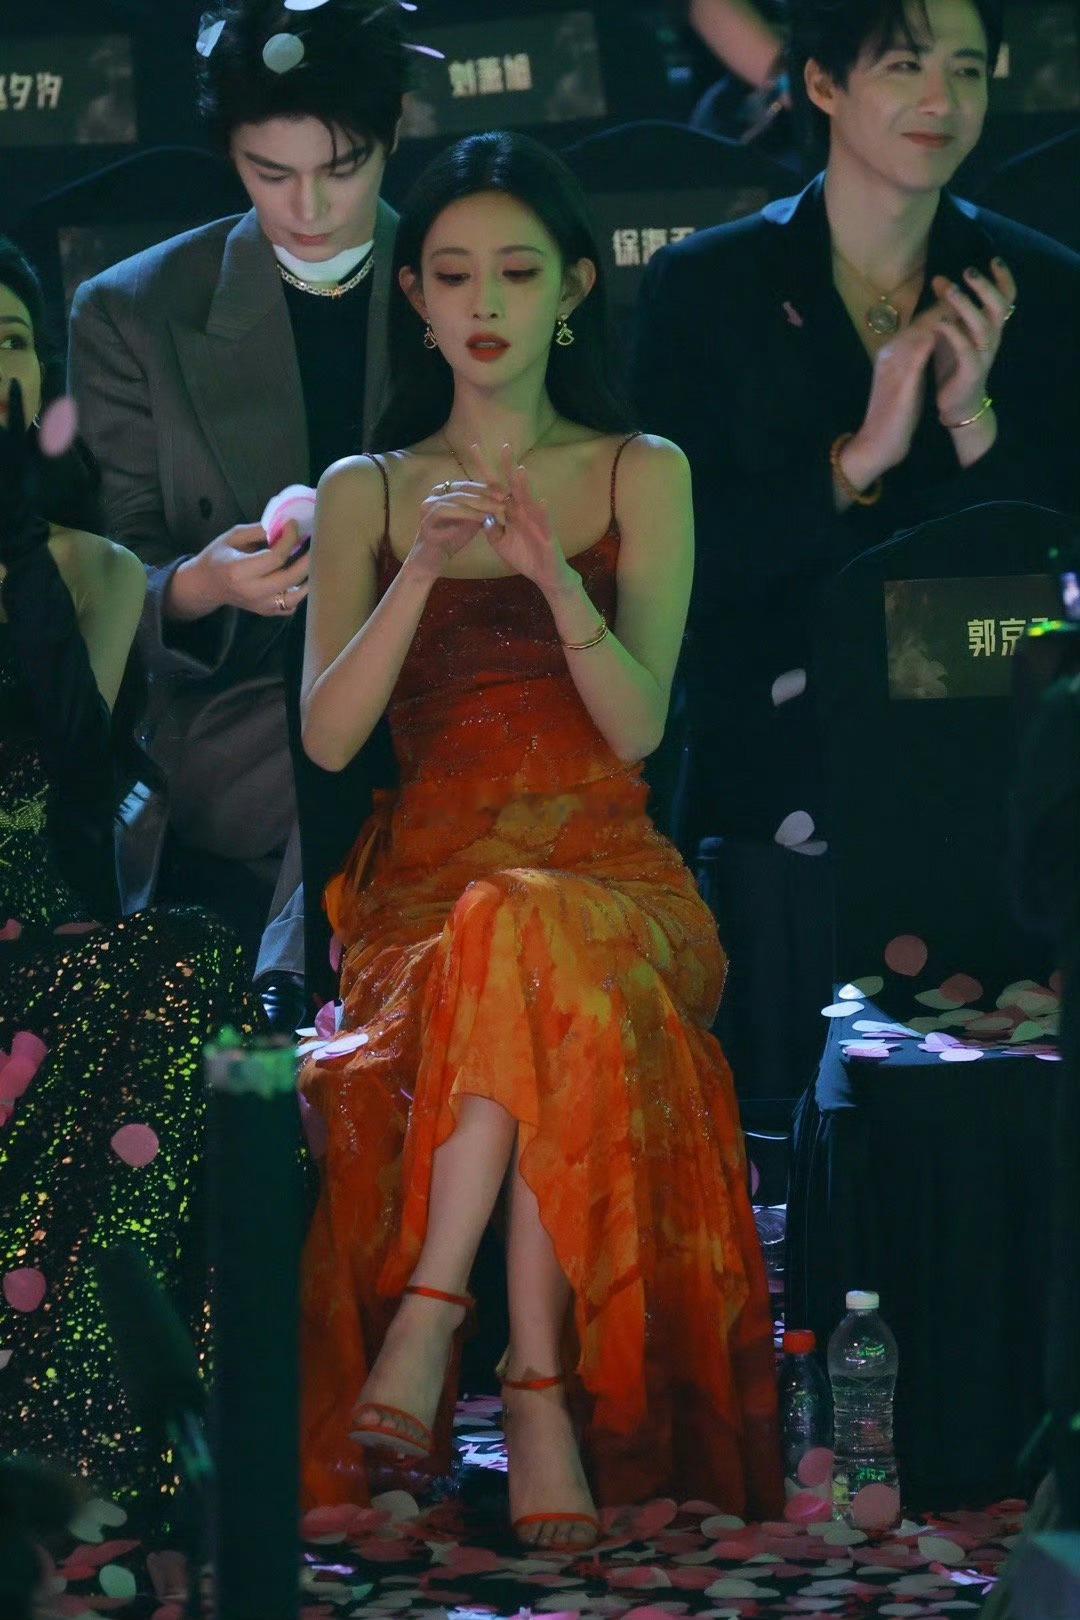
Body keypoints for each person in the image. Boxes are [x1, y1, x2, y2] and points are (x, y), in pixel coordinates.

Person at [297, 130, 784, 1544]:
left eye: (516, 272)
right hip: (424, 904)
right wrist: (423, 571)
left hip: (616, 883)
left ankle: (432, 1318)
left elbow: (636, 728)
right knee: (511, 931)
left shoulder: (640, 468)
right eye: (453, 275)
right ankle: (535, 1397)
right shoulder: (366, 488)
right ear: (413, 296)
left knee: (535, 925)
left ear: (575, 286)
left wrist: (548, 579)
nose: (485, 302)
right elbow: (329, 739)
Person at [632, 0, 1080, 1111]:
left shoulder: (1044, 283)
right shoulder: (706, 287)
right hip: (779, 727)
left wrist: (972, 422)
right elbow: (680, 563)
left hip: (982, 717)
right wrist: (856, 459)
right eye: (906, 66)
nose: (942, 100)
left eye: (967, 70)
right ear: (823, 84)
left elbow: (1057, 574)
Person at [67, 0, 408, 1026]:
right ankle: (301, 997)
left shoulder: (457, 275)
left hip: (436, 662)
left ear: (392, 140)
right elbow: (113, 569)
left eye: (342, 168)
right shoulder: (136, 311)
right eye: (271, 174)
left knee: (402, 726)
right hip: (233, 699)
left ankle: (292, 1002)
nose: (309, 206)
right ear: (231, 157)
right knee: (357, 741)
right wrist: (200, 585)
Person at [0, 239, 256, 1508]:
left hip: (38, 928)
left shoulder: (93, 571)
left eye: (9, 341)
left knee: (190, 962)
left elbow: (76, 772)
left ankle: (91, 1428)